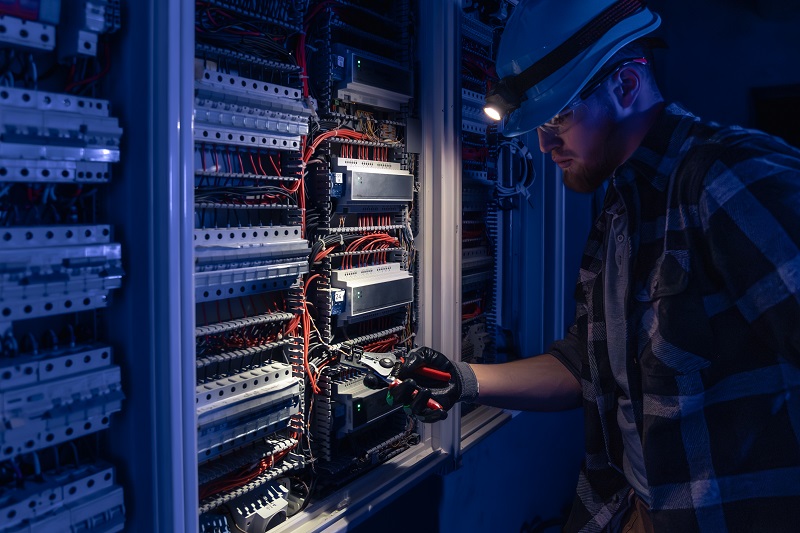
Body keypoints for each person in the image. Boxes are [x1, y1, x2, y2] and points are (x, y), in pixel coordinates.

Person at [365, 1, 800, 531]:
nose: (545, 144)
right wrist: (466, 379)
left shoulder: (729, 178)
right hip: (632, 510)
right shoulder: (619, 211)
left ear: (625, 86)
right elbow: (585, 367)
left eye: (559, 116)